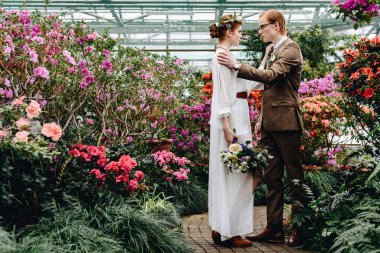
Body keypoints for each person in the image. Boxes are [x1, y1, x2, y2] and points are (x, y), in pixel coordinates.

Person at [217, 9, 306, 247]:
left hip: (287, 124)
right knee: (272, 178)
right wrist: (260, 119)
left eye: (262, 26)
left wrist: (237, 65)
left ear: (276, 25)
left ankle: (300, 228)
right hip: (269, 124)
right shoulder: (273, 50)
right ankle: (274, 228)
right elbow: (272, 92)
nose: (259, 31)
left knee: (295, 177)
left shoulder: (291, 49)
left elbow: (271, 76)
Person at [208, 14, 273, 247]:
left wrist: (265, 58)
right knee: (239, 174)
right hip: (233, 119)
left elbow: (252, 84)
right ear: (228, 33)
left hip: (239, 114)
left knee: (237, 173)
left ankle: (222, 227)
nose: (241, 35)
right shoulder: (222, 56)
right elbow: (222, 92)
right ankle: (231, 230)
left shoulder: (228, 56)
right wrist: (226, 126)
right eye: (239, 31)